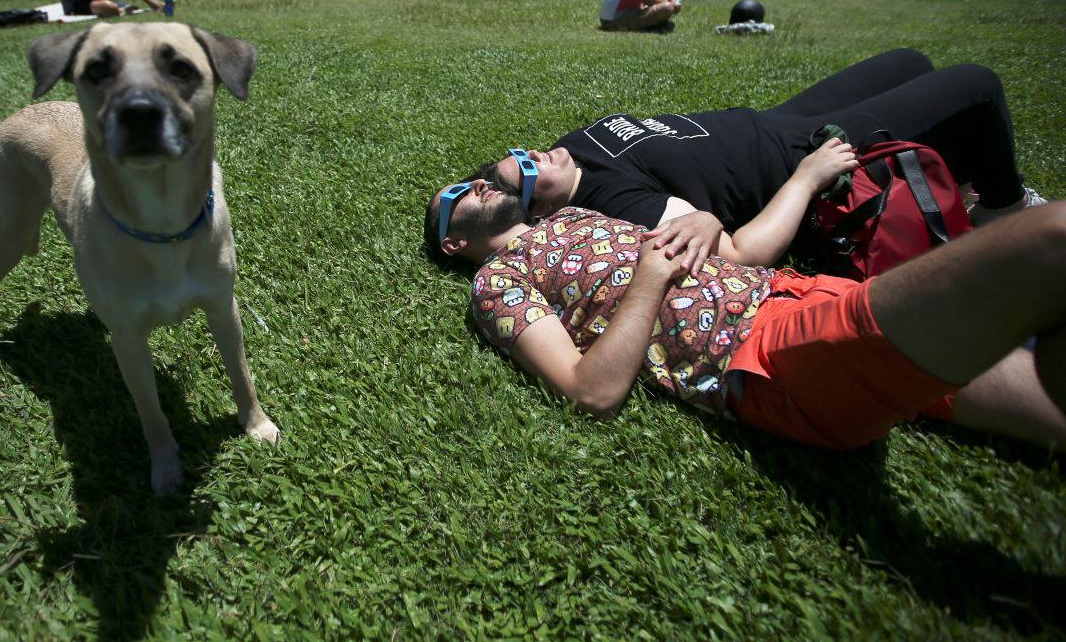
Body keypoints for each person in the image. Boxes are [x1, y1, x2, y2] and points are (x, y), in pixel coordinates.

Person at [424, 167, 1066, 452]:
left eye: (474, 179)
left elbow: (723, 248)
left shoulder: (571, 215)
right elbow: (589, 391)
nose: (477, 184)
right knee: (1047, 239)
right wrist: (650, 278)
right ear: (455, 242)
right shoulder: (496, 283)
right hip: (763, 351)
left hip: (792, 290)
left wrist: (703, 221)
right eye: (458, 196)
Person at [468, 49, 1045, 265]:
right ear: (540, 214)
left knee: (912, 62)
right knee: (976, 86)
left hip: (778, 116)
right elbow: (736, 253)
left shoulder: (570, 154)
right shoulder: (611, 203)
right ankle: (1004, 209)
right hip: (803, 150)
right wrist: (807, 176)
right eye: (524, 170)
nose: (533, 154)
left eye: (516, 155)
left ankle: (953, 179)